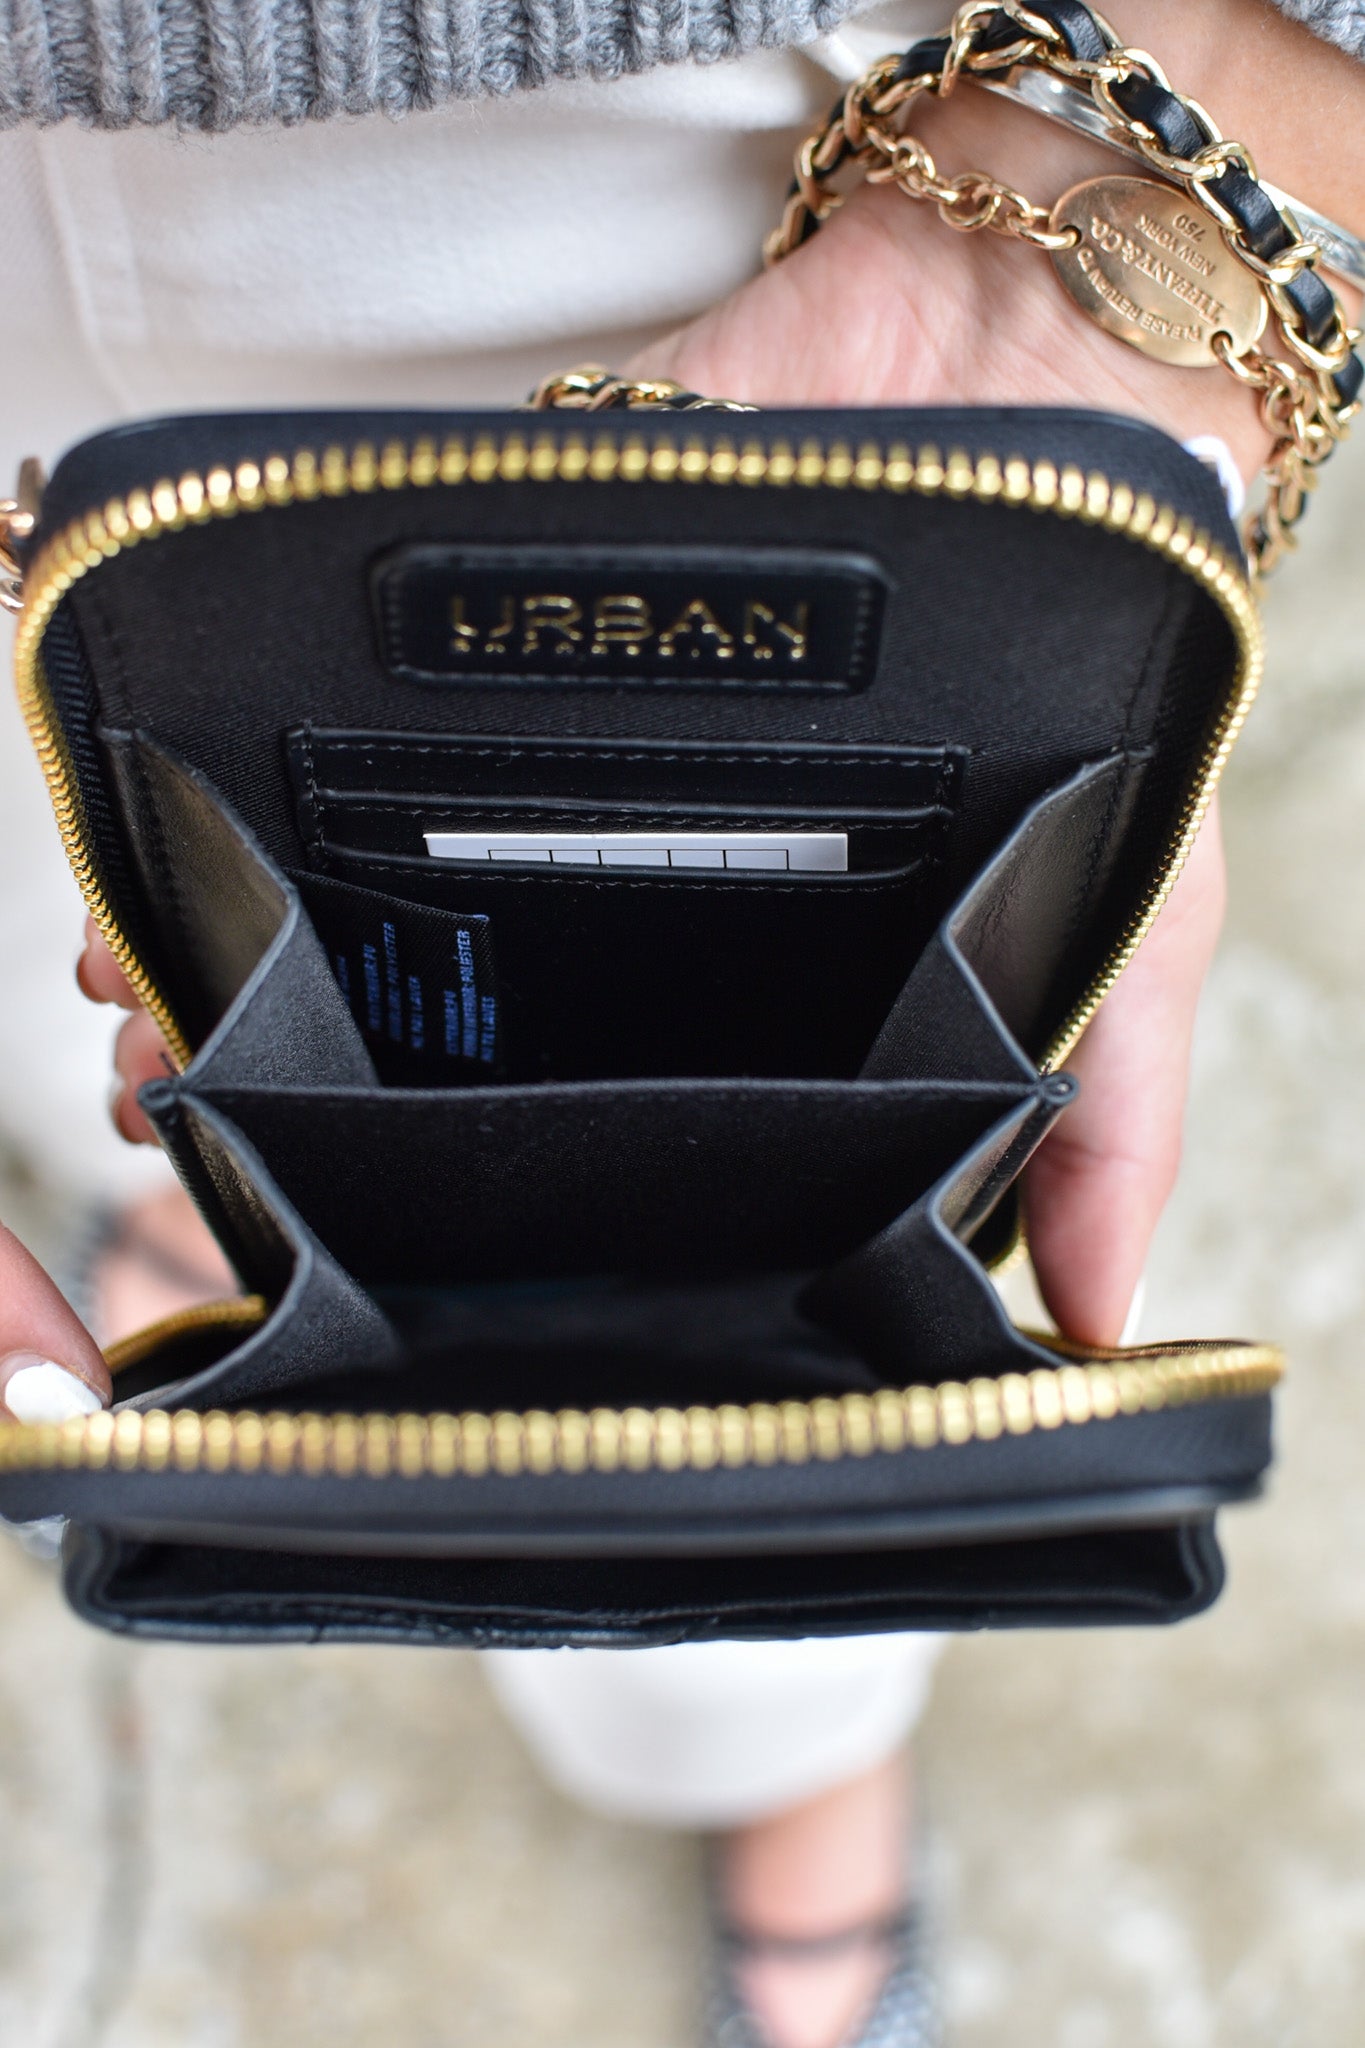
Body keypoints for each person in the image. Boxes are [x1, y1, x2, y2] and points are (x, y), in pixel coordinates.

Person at [1, 2, 1362, 2043]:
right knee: (111, 902)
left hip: (668, 151)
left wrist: (1115, 264)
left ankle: (778, 1752)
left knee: (742, 1440)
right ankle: (242, 1233)